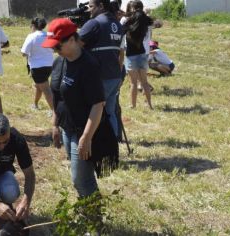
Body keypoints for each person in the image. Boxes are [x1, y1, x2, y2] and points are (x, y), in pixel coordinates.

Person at [44, 18, 118, 199]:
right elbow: (57, 97)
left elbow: (97, 104)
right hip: (67, 129)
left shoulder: (88, 66)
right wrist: (55, 124)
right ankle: (87, 210)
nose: (54, 49)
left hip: (83, 132)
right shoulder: (59, 63)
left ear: (71, 40)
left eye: (57, 46)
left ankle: (96, 223)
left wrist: (86, 138)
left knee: (80, 179)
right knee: (81, 177)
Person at [79, 0, 123, 138]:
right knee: (110, 113)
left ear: (101, 6)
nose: (88, 10)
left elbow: (74, 44)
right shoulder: (116, 24)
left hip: (99, 76)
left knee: (93, 113)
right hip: (114, 75)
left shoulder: (95, 23)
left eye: (91, 6)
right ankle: (112, 146)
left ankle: (94, 145)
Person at [122, 0, 154, 109]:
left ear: (132, 8)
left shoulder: (127, 21)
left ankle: (133, 105)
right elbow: (156, 22)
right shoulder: (145, 20)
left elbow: (121, 30)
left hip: (131, 55)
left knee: (133, 83)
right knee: (144, 82)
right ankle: (149, 104)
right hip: (142, 53)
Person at [21, 17, 53, 112]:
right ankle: (35, 104)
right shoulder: (49, 35)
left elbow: (24, 53)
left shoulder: (31, 36)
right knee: (38, 86)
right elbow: (54, 48)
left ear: (33, 26)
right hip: (49, 65)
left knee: (46, 90)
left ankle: (54, 111)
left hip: (37, 67)